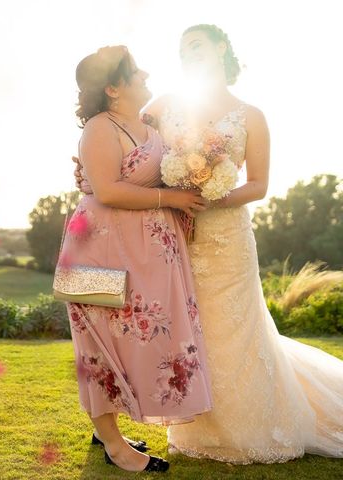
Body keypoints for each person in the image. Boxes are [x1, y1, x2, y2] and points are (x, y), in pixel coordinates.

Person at [143, 23, 343, 464]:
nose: (188, 53)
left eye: (195, 44)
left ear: (221, 49)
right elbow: (136, 155)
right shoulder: (164, 107)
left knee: (236, 327)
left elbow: (259, 184)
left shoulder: (251, 115)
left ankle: (251, 426)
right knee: (193, 331)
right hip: (181, 235)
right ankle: (200, 427)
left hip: (228, 235)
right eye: (181, 49)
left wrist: (211, 198)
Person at [61, 45, 212, 473]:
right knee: (98, 345)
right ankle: (113, 444)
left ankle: (107, 429)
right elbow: (106, 191)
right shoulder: (98, 127)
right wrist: (172, 198)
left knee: (132, 342)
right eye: (134, 72)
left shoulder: (148, 124)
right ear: (112, 88)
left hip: (140, 252)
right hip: (96, 250)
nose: (146, 73)